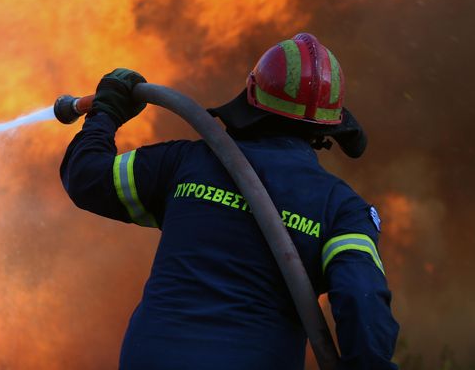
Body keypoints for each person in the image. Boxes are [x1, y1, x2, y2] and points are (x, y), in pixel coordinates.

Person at [60, 33, 399, 370]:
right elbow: (360, 299)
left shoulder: (184, 163)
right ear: (329, 126)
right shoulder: (341, 210)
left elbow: (86, 176)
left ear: (252, 95)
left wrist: (106, 113)